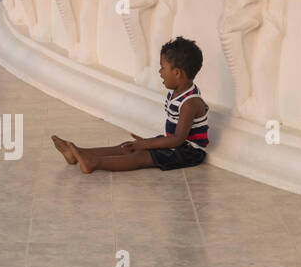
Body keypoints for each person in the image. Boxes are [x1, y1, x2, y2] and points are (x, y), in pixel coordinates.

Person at [51, 36, 208, 173]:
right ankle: (77, 153)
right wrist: (145, 143)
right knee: (128, 147)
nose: (160, 72)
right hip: (176, 143)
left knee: (141, 156)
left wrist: (147, 144)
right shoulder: (177, 91)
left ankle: (94, 163)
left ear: (177, 73)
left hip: (189, 152)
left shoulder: (190, 103)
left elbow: (178, 139)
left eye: (162, 67)